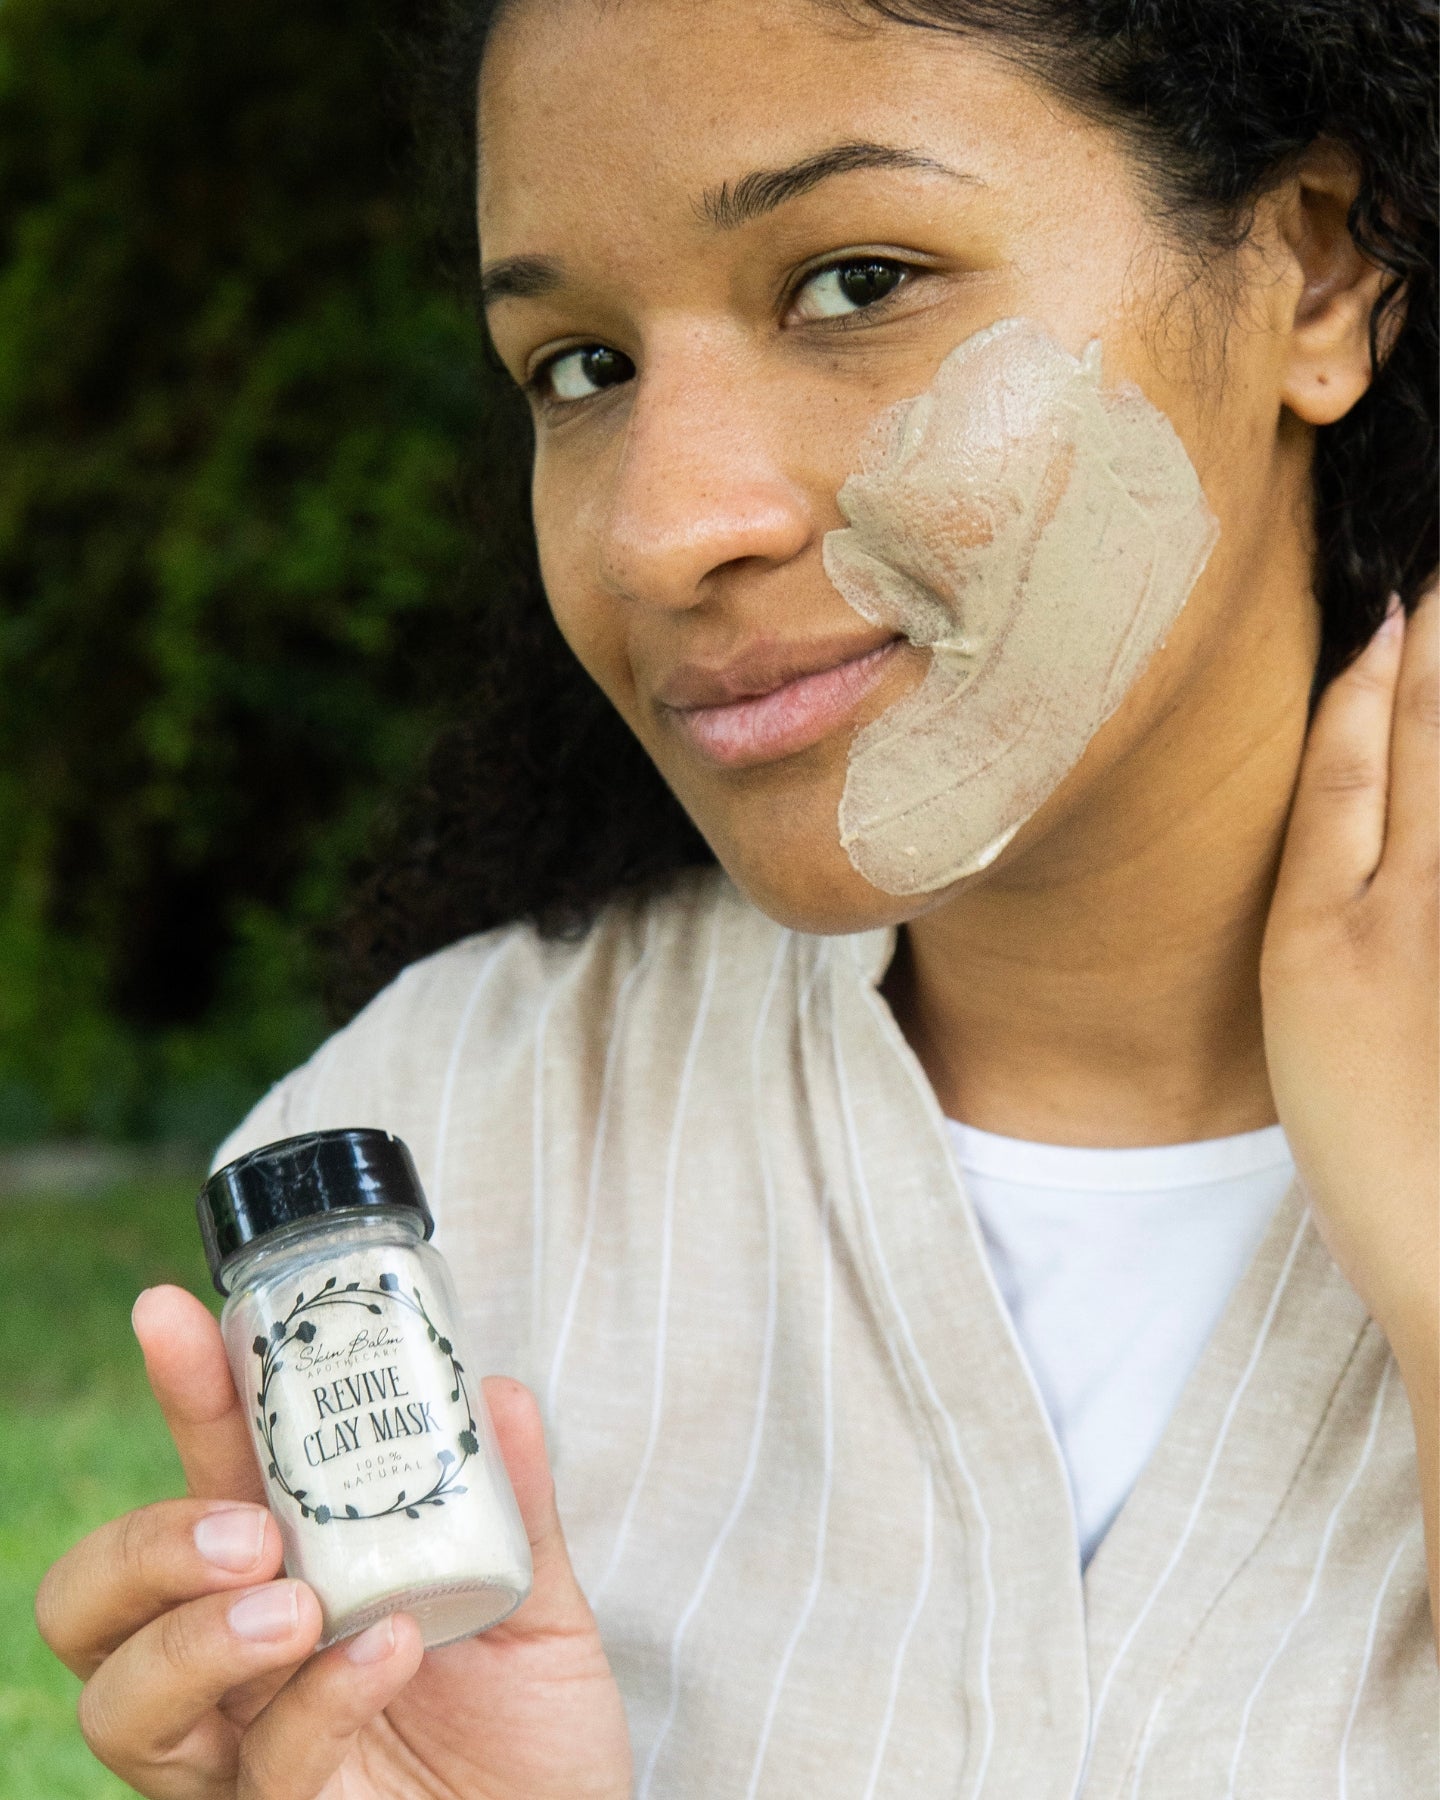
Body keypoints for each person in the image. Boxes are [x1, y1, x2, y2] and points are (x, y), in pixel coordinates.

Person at [36, 1, 1438, 1795]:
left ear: (1318, 274)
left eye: (856, 281)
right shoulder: (415, 1199)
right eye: (580, 371)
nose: (657, 529)